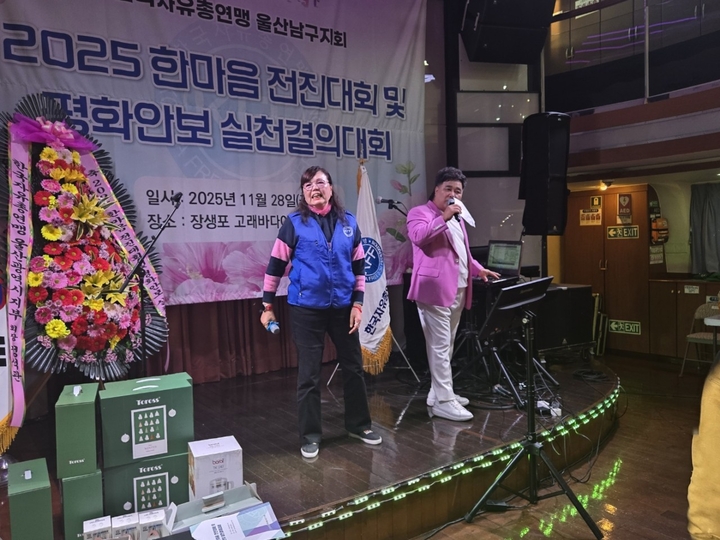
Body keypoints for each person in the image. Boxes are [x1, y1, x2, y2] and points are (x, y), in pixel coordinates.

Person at [260, 165, 382, 459]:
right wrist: (267, 305)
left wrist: (357, 304)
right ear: (303, 194)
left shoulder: (349, 222)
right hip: (306, 310)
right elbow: (275, 266)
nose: (314, 188)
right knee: (309, 374)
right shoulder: (293, 224)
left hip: (343, 307)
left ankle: (359, 425)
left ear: (330, 188)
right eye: (307, 185)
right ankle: (311, 435)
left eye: (319, 183)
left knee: (353, 368)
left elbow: (359, 268)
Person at [406, 166, 500, 422]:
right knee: (439, 346)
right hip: (433, 289)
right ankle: (445, 401)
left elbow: (462, 252)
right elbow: (419, 237)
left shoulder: (458, 218)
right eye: (448, 188)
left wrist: (478, 269)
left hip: (458, 287)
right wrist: (444, 217)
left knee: (446, 344)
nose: (453, 194)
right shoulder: (420, 213)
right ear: (436, 189)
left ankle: (438, 393)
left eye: (458, 191)